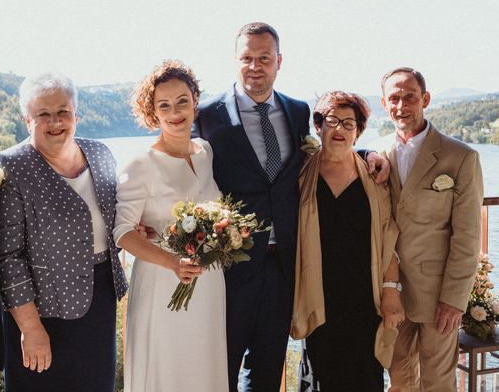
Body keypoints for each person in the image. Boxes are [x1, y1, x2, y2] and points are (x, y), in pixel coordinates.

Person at [194, 22, 390, 391]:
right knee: (219, 368)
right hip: (230, 268)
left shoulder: (298, 111)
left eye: (263, 58)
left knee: (267, 368)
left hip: (285, 265)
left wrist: (368, 153)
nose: (255, 66)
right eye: (247, 58)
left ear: (278, 61)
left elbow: (325, 150)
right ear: (235, 61)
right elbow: (183, 168)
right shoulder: (206, 115)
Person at [0, 73, 128, 392]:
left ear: (76, 115)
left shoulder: (100, 154)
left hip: (100, 298)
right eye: (43, 114)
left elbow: (115, 217)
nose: (55, 122)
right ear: (28, 120)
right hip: (42, 307)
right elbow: (8, 257)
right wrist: (30, 326)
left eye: (63, 111)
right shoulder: (11, 166)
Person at [113, 60, 228, 392]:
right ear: (153, 111)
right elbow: (122, 232)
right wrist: (173, 263)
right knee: (168, 368)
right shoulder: (141, 162)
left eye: (182, 100)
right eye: (164, 104)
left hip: (208, 284)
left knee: (204, 366)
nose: (175, 111)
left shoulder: (205, 151)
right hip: (164, 283)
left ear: (195, 100)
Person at [376, 67, 483, 391]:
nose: (401, 105)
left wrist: (455, 298)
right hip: (391, 291)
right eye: (394, 98)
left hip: (438, 294)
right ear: (384, 103)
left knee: (438, 382)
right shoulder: (376, 153)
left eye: (409, 96)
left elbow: (467, 235)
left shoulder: (461, 157)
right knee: (399, 380)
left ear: (425, 99)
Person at [291, 91, 404, 391]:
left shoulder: (374, 177)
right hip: (319, 296)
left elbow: (388, 239)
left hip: (364, 300)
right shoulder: (302, 174)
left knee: (365, 377)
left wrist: (391, 292)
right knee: (321, 377)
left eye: (348, 123)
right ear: (319, 127)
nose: (339, 129)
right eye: (332, 121)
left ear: (358, 131)